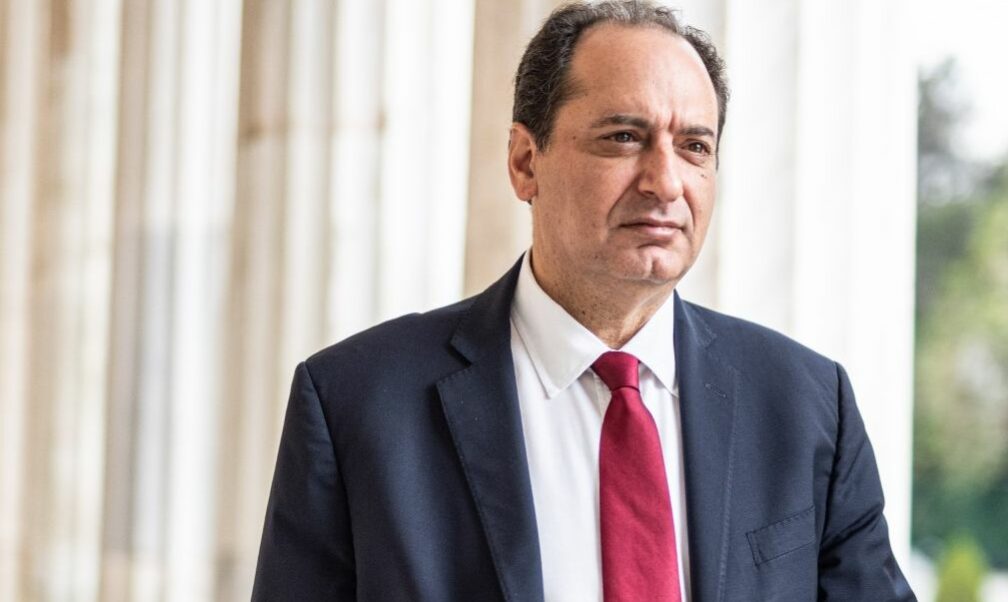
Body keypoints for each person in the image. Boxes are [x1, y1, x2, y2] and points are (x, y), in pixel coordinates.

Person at [252, 2, 915, 600]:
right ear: (525, 162)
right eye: (624, 137)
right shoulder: (357, 402)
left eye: (694, 146)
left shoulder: (807, 404)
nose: (666, 182)